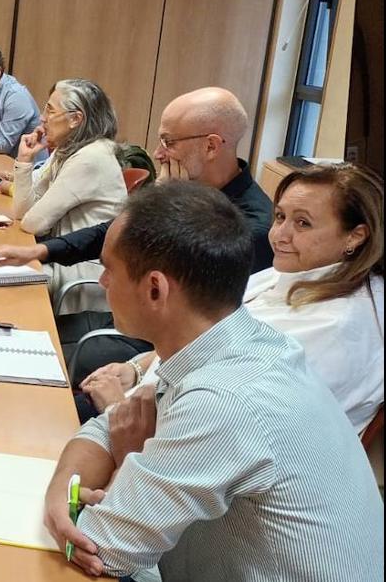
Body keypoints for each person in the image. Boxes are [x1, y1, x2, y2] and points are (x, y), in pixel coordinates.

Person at [42, 181, 383, 582]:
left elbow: (104, 548)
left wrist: (122, 464)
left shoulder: (225, 399)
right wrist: (63, 487)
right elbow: (112, 425)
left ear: (156, 289)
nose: (102, 283)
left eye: (109, 270)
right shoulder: (229, 340)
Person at [0, 87, 274, 375]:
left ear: (211, 146)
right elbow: (110, 232)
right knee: (20, 337)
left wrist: (164, 203)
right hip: (123, 319)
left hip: (155, 351)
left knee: (31, 367)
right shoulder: (192, 187)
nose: (157, 153)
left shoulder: (250, 228)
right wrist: (41, 250)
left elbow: (188, 318)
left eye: (169, 142)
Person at [81, 163, 384, 432]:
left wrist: (116, 407)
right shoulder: (287, 273)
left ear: (355, 236)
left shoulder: (338, 327)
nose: (280, 234)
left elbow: (223, 417)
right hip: (152, 410)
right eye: (280, 217)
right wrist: (136, 369)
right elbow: (204, 338)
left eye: (302, 223)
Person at [12, 79, 126, 309]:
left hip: (79, 273)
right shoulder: (67, 149)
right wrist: (24, 161)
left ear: (75, 119)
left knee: (2, 285)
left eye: (50, 110)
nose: (42, 118)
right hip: (59, 260)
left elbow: (33, 223)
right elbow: (22, 212)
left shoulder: (92, 157)